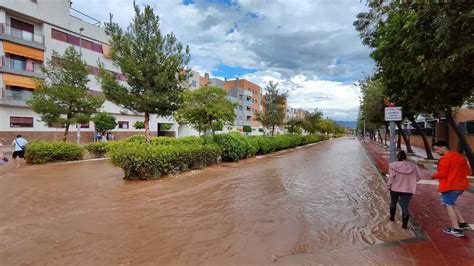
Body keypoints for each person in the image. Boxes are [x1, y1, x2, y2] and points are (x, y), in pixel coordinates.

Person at [431, 140, 471, 237]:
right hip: (461, 186)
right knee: (452, 203)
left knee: (448, 205)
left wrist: (433, 175)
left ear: (443, 147)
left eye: (437, 149)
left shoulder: (445, 159)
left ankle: (456, 228)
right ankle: (462, 222)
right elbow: (468, 171)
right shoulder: (460, 157)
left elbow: (443, 174)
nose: (436, 152)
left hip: (449, 186)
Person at [386, 150, 421, 229]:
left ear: (397, 157)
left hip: (395, 188)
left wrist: (388, 186)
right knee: (405, 206)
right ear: (406, 157)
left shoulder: (393, 165)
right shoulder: (413, 166)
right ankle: (404, 225)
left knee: (393, 203)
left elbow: (391, 178)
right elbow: (418, 178)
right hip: (408, 190)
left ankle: (392, 218)